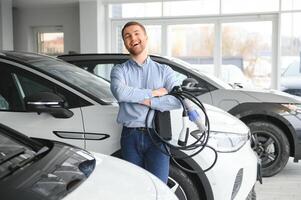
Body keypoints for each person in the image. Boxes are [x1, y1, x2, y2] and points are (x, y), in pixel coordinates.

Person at [110, 21, 181, 183]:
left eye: (136, 33)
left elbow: (178, 100)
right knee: (135, 187)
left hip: (158, 136)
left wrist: (149, 102)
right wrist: (155, 93)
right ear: (125, 43)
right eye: (127, 36)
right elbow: (121, 93)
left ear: (145, 37)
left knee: (159, 187)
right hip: (130, 135)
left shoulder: (164, 71)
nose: (132, 38)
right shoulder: (119, 70)